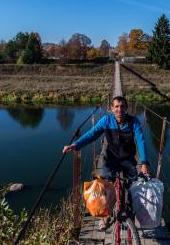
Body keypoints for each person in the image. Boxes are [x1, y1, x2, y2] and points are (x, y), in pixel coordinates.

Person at [62, 96, 149, 229]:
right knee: (103, 186)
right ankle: (105, 216)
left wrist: (144, 163)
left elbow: (141, 140)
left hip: (128, 159)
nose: (119, 109)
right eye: (116, 107)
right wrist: (75, 145)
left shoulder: (134, 121)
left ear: (126, 108)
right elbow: (92, 134)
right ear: (112, 109)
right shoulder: (106, 120)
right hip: (110, 158)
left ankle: (133, 212)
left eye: (122, 106)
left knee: (134, 186)